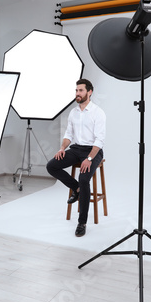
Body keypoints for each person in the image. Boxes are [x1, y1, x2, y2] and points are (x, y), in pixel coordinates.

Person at [46, 79, 106, 237]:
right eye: (76, 90)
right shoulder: (73, 112)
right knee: (51, 166)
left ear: (89, 92)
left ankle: (82, 222)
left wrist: (90, 159)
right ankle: (77, 188)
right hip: (76, 148)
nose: (77, 94)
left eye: (80, 90)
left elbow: (99, 140)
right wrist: (62, 148)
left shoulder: (98, 112)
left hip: (94, 150)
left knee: (85, 179)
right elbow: (68, 135)